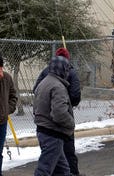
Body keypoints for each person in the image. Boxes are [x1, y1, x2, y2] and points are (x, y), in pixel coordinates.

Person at [33, 48, 83, 176]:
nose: (68, 72)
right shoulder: (58, 86)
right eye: (66, 69)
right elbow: (59, 113)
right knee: (44, 169)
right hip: (53, 133)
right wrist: (71, 123)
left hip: (44, 130)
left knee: (62, 170)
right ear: (62, 70)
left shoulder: (44, 82)